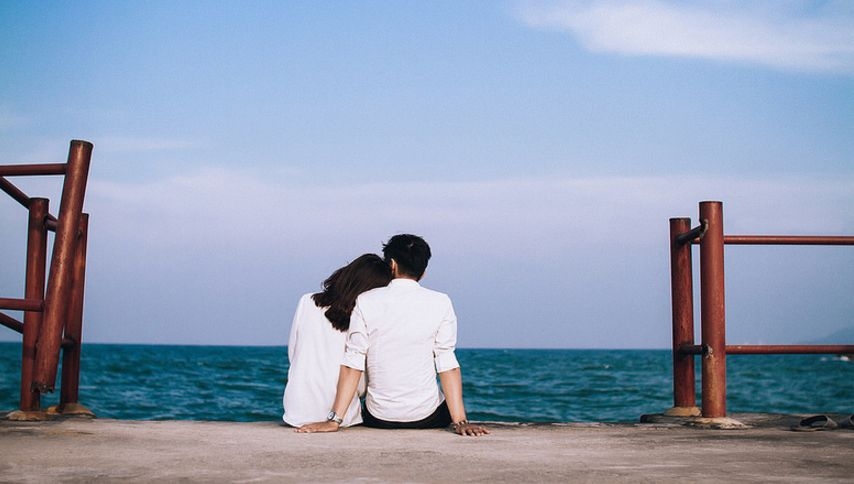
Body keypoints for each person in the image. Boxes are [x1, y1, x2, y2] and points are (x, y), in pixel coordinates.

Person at [297, 234, 489, 436]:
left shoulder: (365, 300)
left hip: (379, 418)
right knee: (437, 394)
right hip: (427, 417)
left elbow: (353, 363)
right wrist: (460, 421)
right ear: (423, 271)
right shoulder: (441, 302)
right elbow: (447, 363)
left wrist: (334, 421)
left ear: (392, 265)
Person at [282, 253, 392, 428]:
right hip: (344, 414)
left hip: (297, 410)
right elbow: (361, 382)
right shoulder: (365, 316)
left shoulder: (307, 301)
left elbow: (294, 354)